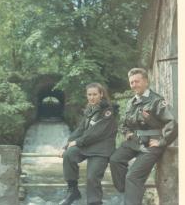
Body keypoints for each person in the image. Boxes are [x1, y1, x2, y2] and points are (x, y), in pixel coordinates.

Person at [110, 68, 178, 205]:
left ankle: (132, 195)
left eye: (137, 81)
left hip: (151, 145)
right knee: (115, 160)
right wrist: (127, 132)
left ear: (146, 81)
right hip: (134, 141)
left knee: (133, 177)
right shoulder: (131, 102)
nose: (134, 85)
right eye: (131, 82)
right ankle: (129, 191)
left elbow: (173, 123)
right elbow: (123, 124)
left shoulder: (157, 101)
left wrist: (162, 141)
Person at [58, 82, 118, 205]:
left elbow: (97, 133)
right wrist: (66, 146)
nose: (91, 97)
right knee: (69, 154)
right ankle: (73, 190)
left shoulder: (108, 111)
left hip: (101, 150)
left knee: (92, 178)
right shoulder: (90, 109)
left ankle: (94, 202)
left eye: (95, 94)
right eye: (89, 94)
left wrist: (77, 142)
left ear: (101, 94)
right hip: (87, 145)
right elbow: (80, 129)